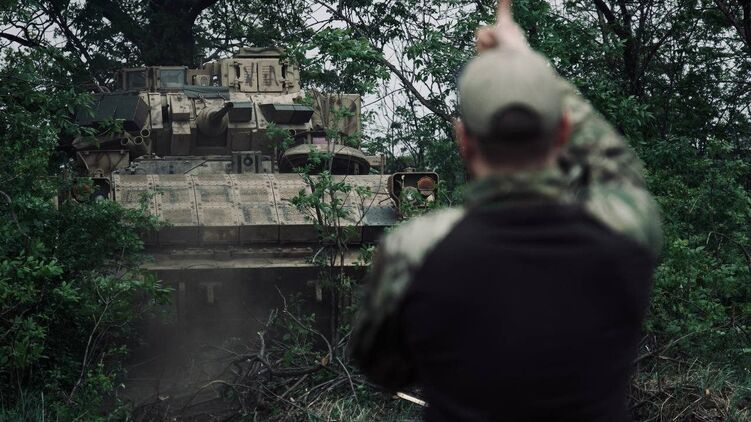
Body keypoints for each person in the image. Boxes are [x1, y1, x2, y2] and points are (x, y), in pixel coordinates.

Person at [350, 2, 663, 421]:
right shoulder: (626, 227)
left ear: (463, 140)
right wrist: (528, 65)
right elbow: (619, 168)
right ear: (563, 130)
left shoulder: (416, 249)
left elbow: (382, 367)